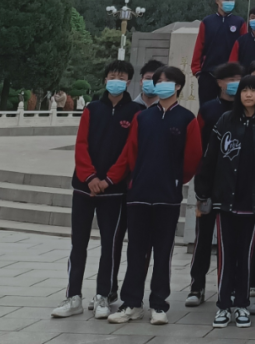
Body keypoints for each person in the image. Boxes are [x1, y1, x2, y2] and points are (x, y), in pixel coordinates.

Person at [106, 66, 202, 326]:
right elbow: (131, 151)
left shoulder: (186, 119)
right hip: (139, 193)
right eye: (158, 81)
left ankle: (159, 304)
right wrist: (137, 178)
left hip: (167, 196)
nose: (161, 85)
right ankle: (131, 303)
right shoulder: (143, 117)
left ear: (178, 87)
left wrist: (175, 180)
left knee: (162, 252)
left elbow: (192, 157)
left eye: (167, 82)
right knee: (136, 251)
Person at [52, 60, 142, 320]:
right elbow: (81, 145)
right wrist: (90, 177)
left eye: (122, 76)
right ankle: (73, 296)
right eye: (112, 75)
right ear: (105, 80)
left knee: (110, 245)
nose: (116, 79)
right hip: (83, 188)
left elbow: (129, 152)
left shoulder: (135, 112)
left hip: (114, 191)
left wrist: (109, 180)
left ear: (128, 81)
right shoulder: (92, 109)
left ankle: (103, 294)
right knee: (77, 244)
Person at [195, 74, 255, 328]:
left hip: (254, 203)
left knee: (247, 256)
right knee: (225, 255)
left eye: (254, 90)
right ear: (239, 94)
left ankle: (241, 304)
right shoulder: (225, 121)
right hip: (226, 201)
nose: (249, 95)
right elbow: (209, 160)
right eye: (245, 90)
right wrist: (203, 194)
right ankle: (223, 305)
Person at [185, 62, 242, 307]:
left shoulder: (247, 109)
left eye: (238, 78)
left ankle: (229, 287)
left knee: (231, 240)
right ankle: (196, 286)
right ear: (219, 82)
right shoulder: (208, 110)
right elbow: (198, 148)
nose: (234, 82)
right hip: (209, 182)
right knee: (203, 237)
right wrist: (200, 184)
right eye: (229, 78)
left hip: (236, 184)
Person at [191, 0, 246, 105]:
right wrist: (197, 71)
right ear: (217, 1)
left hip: (231, 76)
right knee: (207, 109)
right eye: (225, 0)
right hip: (208, 73)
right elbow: (199, 46)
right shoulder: (207, 21)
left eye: (232, 0)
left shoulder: (239, 22)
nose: (229, 3)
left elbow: (243, 48)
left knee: (232, 110)